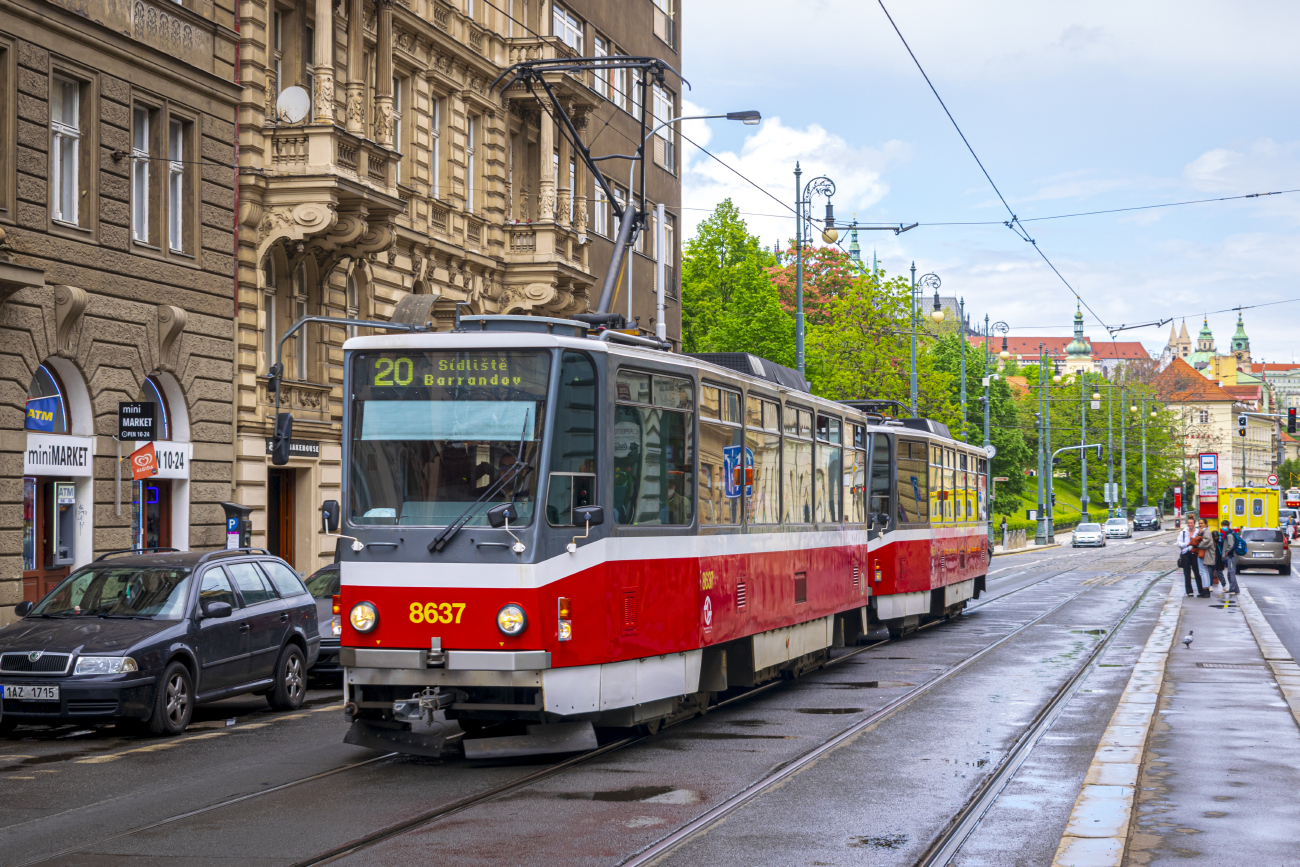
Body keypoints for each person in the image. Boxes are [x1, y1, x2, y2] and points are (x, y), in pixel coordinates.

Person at [1176, 516, 1206, 597]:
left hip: (1194, 553)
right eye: (1188, 523)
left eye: (1191, 523)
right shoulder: (1183, 532)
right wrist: (1187, 544)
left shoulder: (1197, 531)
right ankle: (1189, 591)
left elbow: (1202, 540)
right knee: (1187, 573)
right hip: (1185, 554)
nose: (1190, 524)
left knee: (1197, 572)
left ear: (1194, 523)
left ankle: (1200, 590)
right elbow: (1179, 543)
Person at [1195, 518, 1218, 593]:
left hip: (1204, 554)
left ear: (1206, 524)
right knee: (1204, 571)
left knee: (1203, 571)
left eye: (1202, 523)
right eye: (1199, 523)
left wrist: (1196, 545)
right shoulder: (1202, 531)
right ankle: (1206, 587)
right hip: (1203, 553)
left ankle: (1205, 588)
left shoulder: (1206, 532)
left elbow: (1205, 542)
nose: (1200, 525)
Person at [1219, 520, 1241, 595]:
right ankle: (1236, 589)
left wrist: (1227, 551)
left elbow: (1230, 545)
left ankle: (1232, 589)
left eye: (1224, 526)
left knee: (1231, 573)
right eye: (1222, 526)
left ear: (1227, 526)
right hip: (1231, 556)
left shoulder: (1229, 535)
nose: (1223, 527)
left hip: (1231, 556)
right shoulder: (1231, 533)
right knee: (1231, 572)